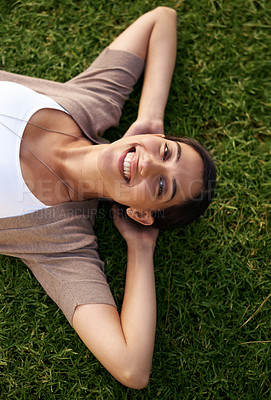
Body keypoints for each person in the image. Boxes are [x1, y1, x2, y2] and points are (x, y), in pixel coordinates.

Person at [0, 7, 216, 388]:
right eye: (166, 152)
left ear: (143, 214)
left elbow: (133, 368)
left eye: (162, 187)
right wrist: (151, 118)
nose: (149, 163)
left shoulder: (62, 244)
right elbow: (161, 19)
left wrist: (140, 247)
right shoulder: (92, 101)